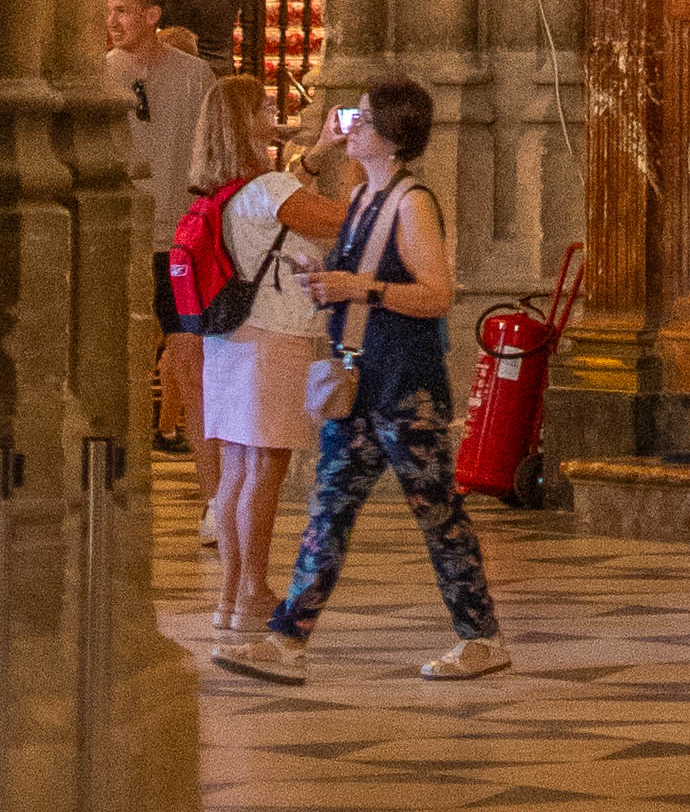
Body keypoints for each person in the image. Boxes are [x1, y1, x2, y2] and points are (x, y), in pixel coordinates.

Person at [216, 71, 507, 689]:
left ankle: (479, 638)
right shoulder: (364, 200)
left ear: (394, 135)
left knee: (437, 511)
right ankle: (287, 641)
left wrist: (362, 288)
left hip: (406, 384)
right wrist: (321, 276)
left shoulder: (412, 201)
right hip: (357, 376)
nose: (354, 128)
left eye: (366, 120)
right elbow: (357, 276)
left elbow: (437, 294)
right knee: (329, 510)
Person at [193, 83, 334, 649]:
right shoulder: (269, 187)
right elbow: (333, 219)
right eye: (266, 111)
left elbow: (291, 202)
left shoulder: (226, 189)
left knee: (236, 470)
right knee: (265, 469)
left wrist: (316, 154)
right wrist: (381, 183)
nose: (277, 117)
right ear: (246, 121)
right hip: (273, 336)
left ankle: (231, 598)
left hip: (228, 338)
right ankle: (252, 588)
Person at [106, 0, 235, 462]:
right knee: (121, 349)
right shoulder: (101, 72)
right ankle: (122, 459)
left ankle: (210, 495)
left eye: (123, 11)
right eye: (109, 12)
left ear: (152, 15)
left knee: (188, 353)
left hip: (178, 236)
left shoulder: (194, 75)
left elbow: (211, 151)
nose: (113, 22)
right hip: (122, 233)